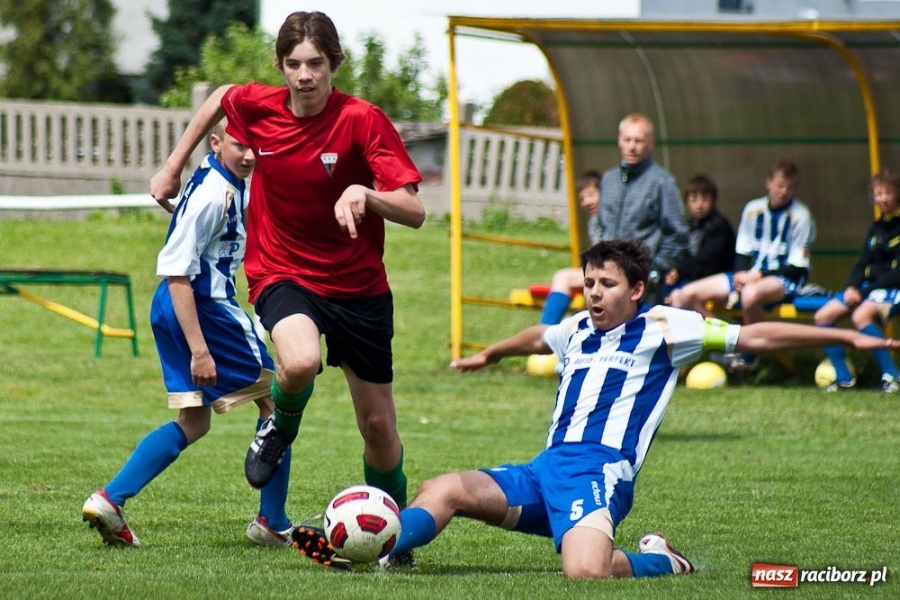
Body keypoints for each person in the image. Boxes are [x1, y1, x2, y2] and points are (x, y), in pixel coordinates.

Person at [291, 239, 898, 577]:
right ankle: (379, 551)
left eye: (606, 285)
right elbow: (537, 336)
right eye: (588, 284)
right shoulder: (577, 329)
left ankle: (663, 560)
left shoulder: (668, 328)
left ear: (635, 289)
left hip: (599, 474)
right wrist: (489, 355)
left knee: (586, 575)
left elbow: (758, 338)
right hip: (545, 470)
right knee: (442, 487)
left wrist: (848, 338)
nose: (594, 295)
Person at [149, 11, 424, 560]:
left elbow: (414, 210)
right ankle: (278, 430)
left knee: (378, 429)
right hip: (283, 272)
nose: (304, 76)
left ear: (334, 65)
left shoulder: (363, 120)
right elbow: (220, 98)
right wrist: (173, 165)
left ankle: (398, 539)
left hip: (359, 287)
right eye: (294, 64)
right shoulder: (258, 106)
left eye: (315, 64)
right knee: (295, 363)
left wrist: (364, 194)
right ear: (281, 66)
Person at [83, 122, 293, 547]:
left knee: (193, 422)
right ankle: (272, 521)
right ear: (215, 143)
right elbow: (178, 270)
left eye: (257, 146)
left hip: (171, 308)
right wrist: (200, 350)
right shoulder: (215, 195)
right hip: (201, 308)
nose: (250, 155)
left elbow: (195, 226)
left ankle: (110, 499)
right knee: (281, 402)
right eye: (240, 145)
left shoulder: (216, 176)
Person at [669, 160, 816, 371]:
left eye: (790, 187)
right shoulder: (752, 210)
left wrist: (757, 276)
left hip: (783, 279)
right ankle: (730, 342)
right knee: (684, 295)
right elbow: (742, 252)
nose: (784, 191)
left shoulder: (802, 216)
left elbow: (796, 267)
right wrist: (740, 275)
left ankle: (750, 355)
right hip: (749, 277)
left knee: (751, 294)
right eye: (780, 185)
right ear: (768, 182)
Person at [813, 168, 900, 393]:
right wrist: (851, 287)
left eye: (888, 192)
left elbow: (896, 274)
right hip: (866, 289)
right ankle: (844, 380)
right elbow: (862, 262)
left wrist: (863, 292)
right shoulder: (877, 227)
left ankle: (892, 376)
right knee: (822, 316)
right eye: (878, 194)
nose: (883, 198)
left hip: (891, 288)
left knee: (860, 315)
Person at [597, 113, 688, 306]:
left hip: (641, 283)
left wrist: (655, 269)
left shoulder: (662, 182)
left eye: (638, 141)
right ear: (619, 141)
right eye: (627, 140)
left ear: (651, 143)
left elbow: (678, 234)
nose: (632, 146)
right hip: (606, 275)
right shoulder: (608, 179)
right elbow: (598, 222)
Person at [537, 169, 602, 326]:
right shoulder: (594, 221)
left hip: (610, 272)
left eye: (591, 195)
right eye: (582, 198)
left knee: (563, 277)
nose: (586, 202)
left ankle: (545, 331)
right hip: (600, 270)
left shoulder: (609, 219)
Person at [663, 173, 735, 299]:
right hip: (692, 276)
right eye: (694, 199)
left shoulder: (719, 225)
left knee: (679, 297)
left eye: (705, 199)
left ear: (713, 200)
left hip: (717, 277)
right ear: (687, 201)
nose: (699, 204)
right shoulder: (689, 226)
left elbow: (706, 259)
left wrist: (680, 270)